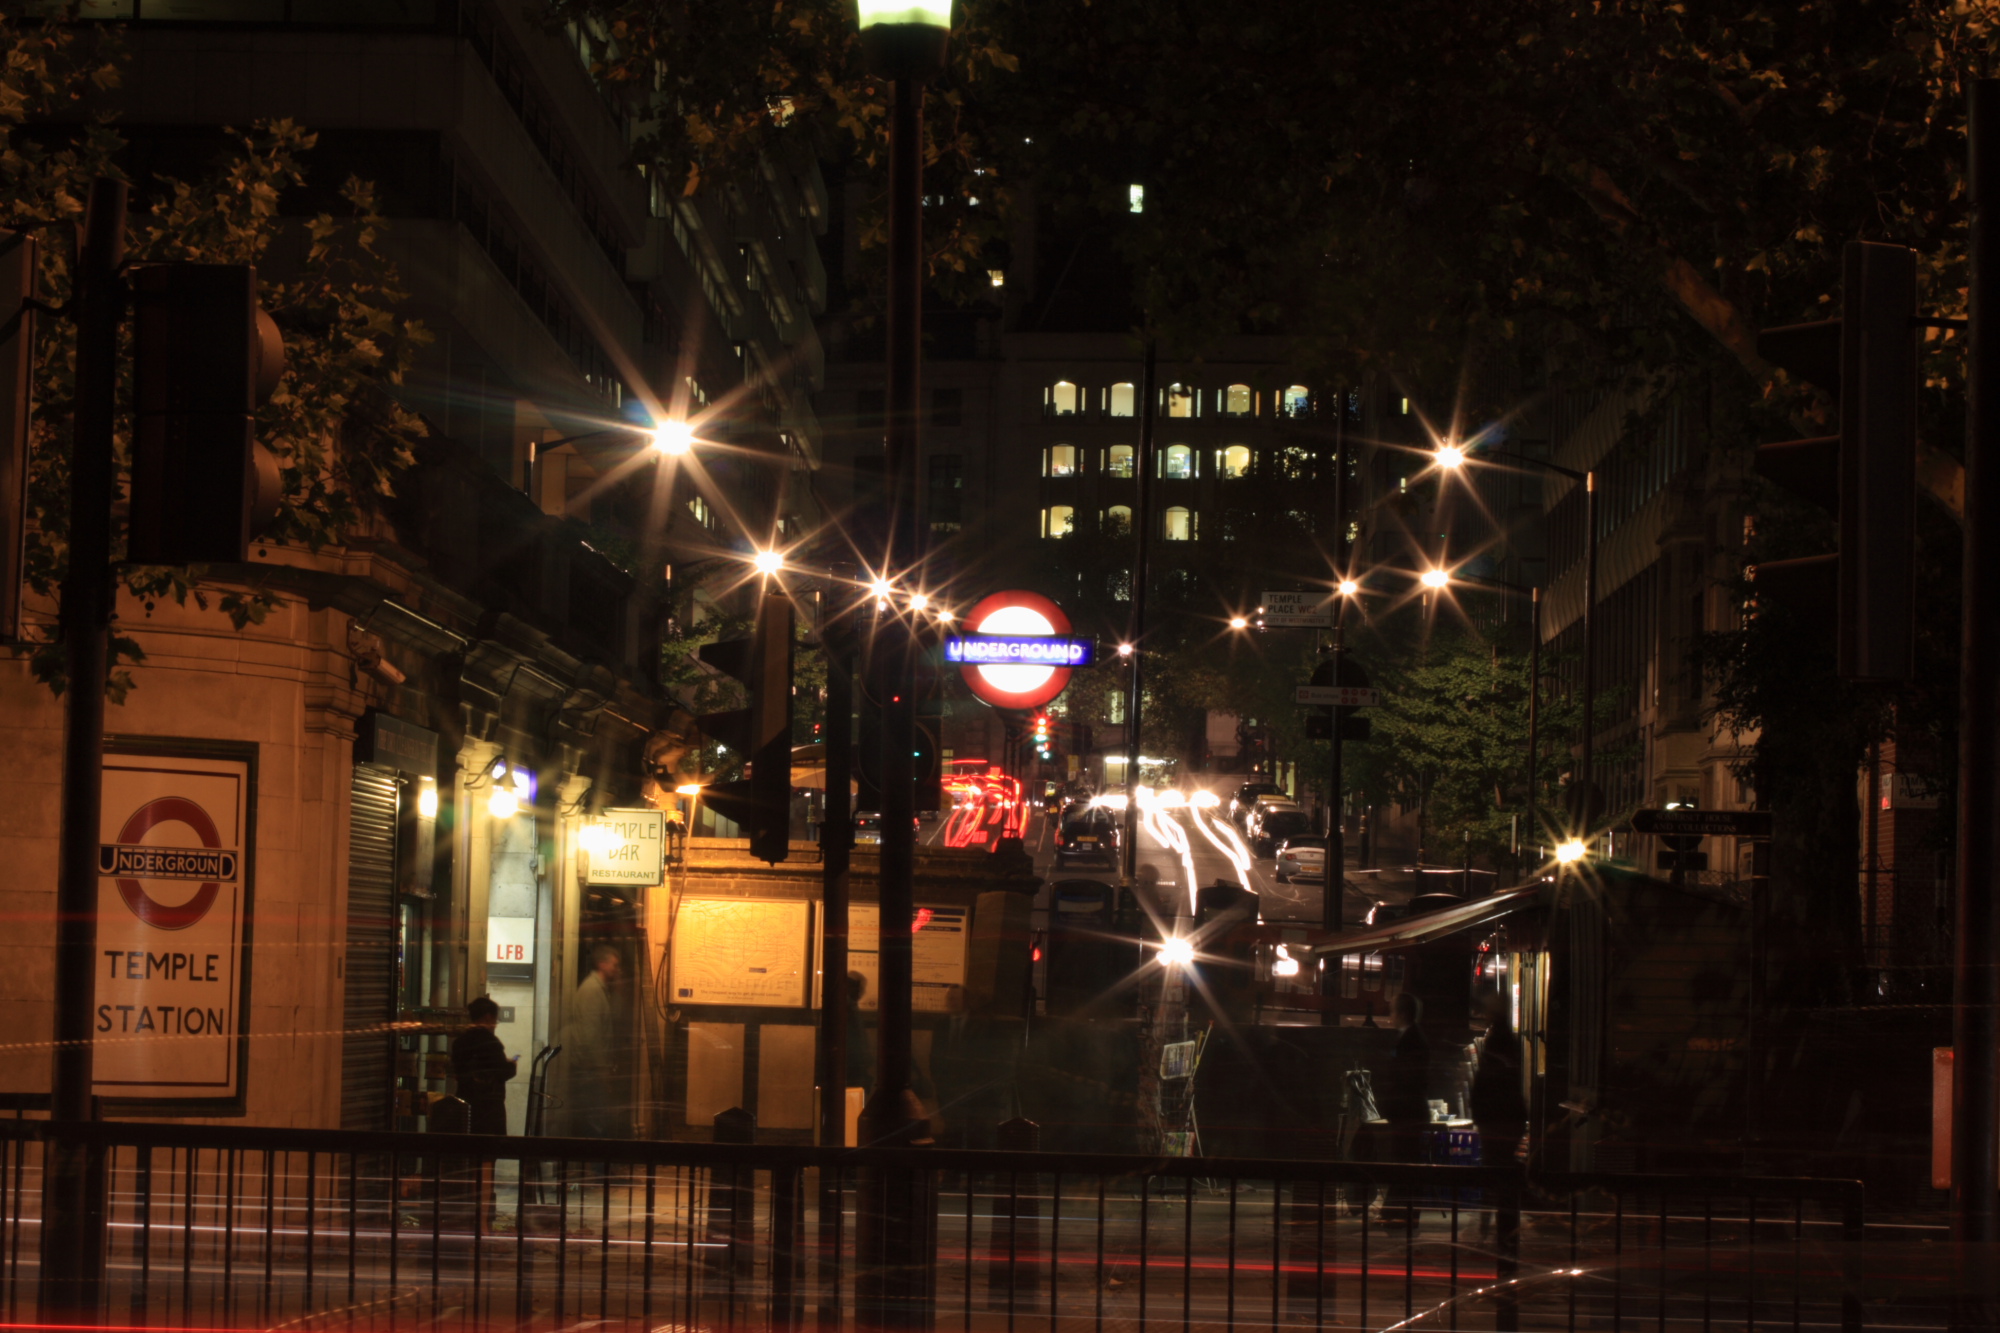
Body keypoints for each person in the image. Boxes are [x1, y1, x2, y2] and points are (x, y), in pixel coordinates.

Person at [564, 945, 624, 1138]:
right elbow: (592, 1035)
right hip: (590, 1069)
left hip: (590, 1068)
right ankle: (595, 1166)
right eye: (614, 965)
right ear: (602, 964)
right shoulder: (592, 991)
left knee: (594, 1118)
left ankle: (593, 1165)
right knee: (595, 1119)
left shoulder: (597, 989)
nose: (617, 969)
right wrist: (602, 1069)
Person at [1469, 989, 1528, 1167]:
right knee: (1502, 1163)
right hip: (1505, 1116)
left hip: (1496, 1116)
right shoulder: (1506, 1038)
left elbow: (1490, 1080)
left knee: (1495, 1164)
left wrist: (1478, 1107)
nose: (1483, 1015)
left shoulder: (1497, 1040)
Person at [451, 995, 517, 1134]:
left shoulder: (460, 1042)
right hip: (489, 1107)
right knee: (488, 1148)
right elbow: (502, 1072)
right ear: (488, 1017)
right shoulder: (490, 1042)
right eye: (494, 1020)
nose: (495, 1024)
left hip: (465, 1103)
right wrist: (511, 1065)